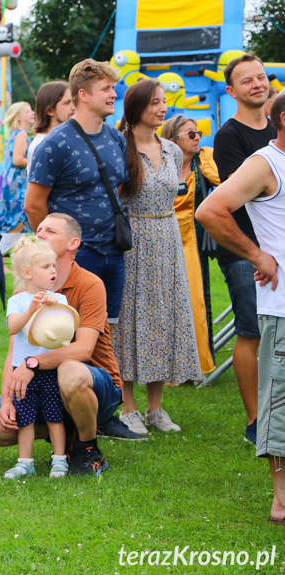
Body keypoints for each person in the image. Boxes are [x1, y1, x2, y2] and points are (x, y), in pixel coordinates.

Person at [0, 213, 139, 478]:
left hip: (94, 384)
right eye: (38, 230)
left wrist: (32, 364)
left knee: (69, 372)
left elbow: (83, 350)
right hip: (40, 383)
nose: (40, 235)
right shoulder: (24, 292)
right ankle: (66, 430)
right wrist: (7, 399)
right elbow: (14, 351)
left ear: (73, 243)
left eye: (50, 231)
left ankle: (87, 448)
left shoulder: (89, 284)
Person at [197, 91, 285, 524]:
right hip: (282, 306)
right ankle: (282, 500)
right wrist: (257, 256)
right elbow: (211, 210)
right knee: (282, 406)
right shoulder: (264, 163)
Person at [113, 79, 201, 435]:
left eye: (163, 102)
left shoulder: (172, 149)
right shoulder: (120, 146)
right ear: (135, 107)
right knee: (133, 320)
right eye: (154, 102)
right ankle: (128, 406)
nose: (162, 108)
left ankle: (155, 408)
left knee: (163, 318)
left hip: (168, 238)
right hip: (133, 242)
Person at [27, 59, 127, 325]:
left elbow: (116, 190)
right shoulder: (54, 144)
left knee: (108, 330)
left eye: (114, 88)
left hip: (114, 253)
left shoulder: (115, 138)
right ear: (83, 94)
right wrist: (54, 251)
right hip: (76, 255)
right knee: (68, 331)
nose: (114, 94)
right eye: (106, 88)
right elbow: (34, 205)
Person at [212, 53, 276, 445]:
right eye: (247, 80)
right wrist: (253, 252)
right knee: (251, 332)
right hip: (245, 248)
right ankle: (255, 420)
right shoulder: (229, 137)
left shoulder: (279, 129)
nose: (258, 84)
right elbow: (236, 199)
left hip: (279, 248)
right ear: (231, 91)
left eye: (262, 77)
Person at [2, 238, 72, 479]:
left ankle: (59, 460)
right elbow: (14, 328)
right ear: (26, 273)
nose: (53, 270)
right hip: (21, 371)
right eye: (45, 267)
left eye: (53, 265)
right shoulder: (18, 301)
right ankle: (25, 462)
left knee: (55, 415)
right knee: (25, 418)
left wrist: (51, 306)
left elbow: (66, 329)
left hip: (50, 368)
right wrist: (32, 309)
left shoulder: (59, 299)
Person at [161, 114, 217, 374]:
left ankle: (197, 364)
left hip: (192, 243)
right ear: (173, 139)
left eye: (198, 133)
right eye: (191, 134)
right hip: (162, 243)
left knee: (196, 303)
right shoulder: (160, 165)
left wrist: (206, 159)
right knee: (164, 306)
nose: (197, 138)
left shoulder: (203, 161)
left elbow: (224, 180)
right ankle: (167, 365)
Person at [0, 102, 35, 233]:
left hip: (13, 183)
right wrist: (37, 162)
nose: (33, 113)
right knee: (17, 219)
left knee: (15, 218)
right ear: (19, 117)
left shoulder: (16, 133)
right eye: (28, 111)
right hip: (18, 185)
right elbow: (18, 160)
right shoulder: (21, 134)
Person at [27, 81, 74, 176]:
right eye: (67, 103)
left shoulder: (65, 139)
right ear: (50, 111)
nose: (73, 107)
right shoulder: (43, 145)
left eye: (74, 102)